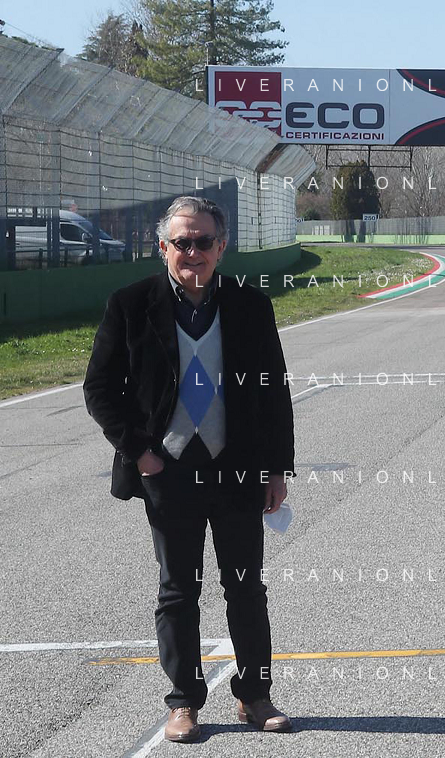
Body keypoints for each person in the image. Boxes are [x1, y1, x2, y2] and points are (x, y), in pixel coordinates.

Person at [84, 196, 295, 742]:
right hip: (168, 472)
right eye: (182, 242)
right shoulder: (130, 305)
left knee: (245, 588)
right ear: (163, 247)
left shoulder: (251, 306)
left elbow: (274, 392)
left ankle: (254, 696)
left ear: (222, 247)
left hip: (237, 470)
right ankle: (183, 702)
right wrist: (141, 452)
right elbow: (100, 389)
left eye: (204, 242)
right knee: (178, 591)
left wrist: (277, 469)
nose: (193, 252)